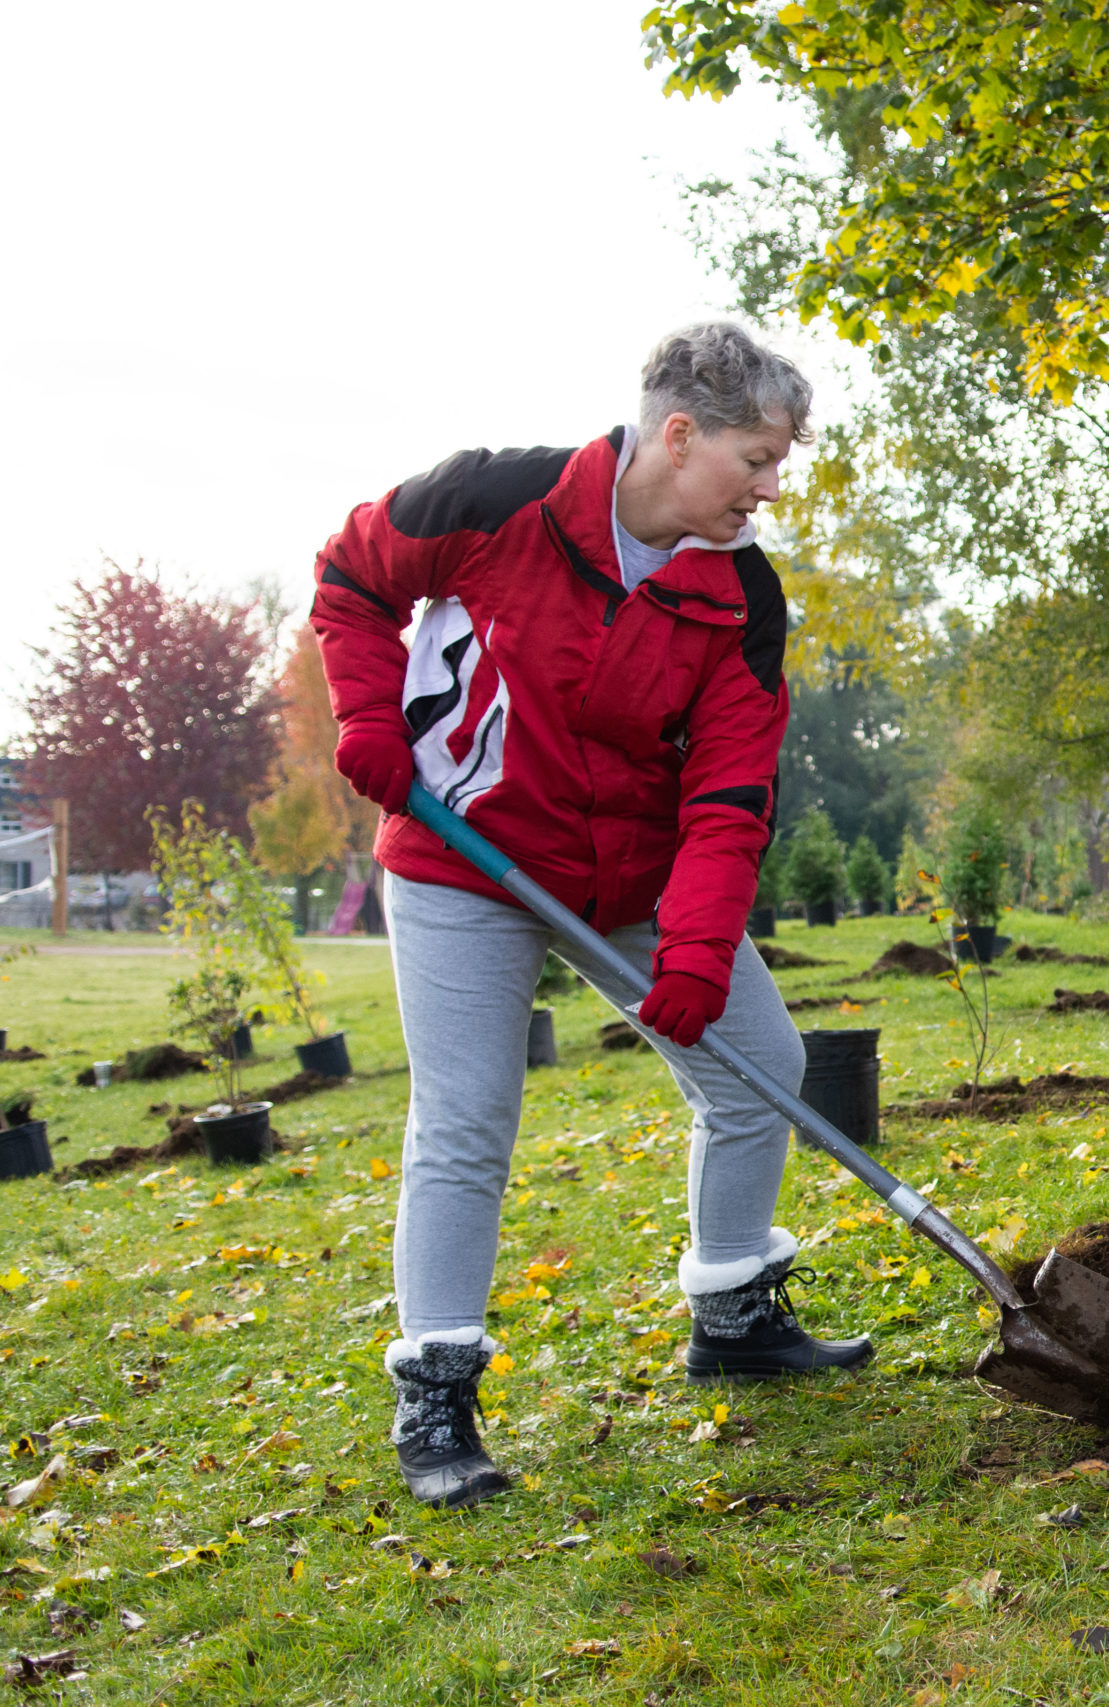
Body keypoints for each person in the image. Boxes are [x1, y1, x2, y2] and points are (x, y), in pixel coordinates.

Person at [310, 323, 870, 1510]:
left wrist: (699, 952)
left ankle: (732, 1311)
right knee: (467, 1120)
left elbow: (728, 797)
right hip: (468, 863)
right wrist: (367, 717)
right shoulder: (495, 497)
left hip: (624, 884)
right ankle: (438, 1393)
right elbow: (353, 578)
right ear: (681, 435)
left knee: (756, 1060)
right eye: (758, 461)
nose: (771, 490)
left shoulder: (738, 597)